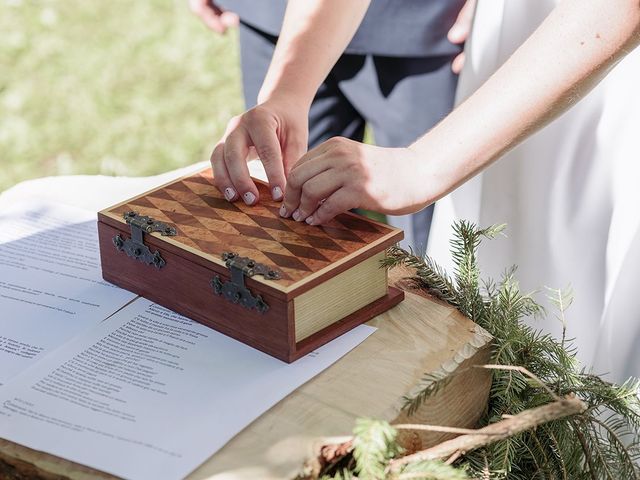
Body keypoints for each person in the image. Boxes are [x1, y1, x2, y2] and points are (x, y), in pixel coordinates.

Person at [212, 0, 640, 381]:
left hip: (594, 71)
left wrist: (422, 166)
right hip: (509, 48)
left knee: (567, 331)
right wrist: (286, 95)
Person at [190, 0, 474, 254]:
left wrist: (417, 167)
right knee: (293, 232)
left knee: (436, 246)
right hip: (273, 17)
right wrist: (284, 95)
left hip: (428, 25)